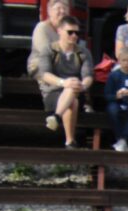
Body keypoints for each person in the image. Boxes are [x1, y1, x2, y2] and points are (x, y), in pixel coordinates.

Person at [37, 16, 92, 149]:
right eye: (70, 32)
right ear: (59, 31)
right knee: (72, 99)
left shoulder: (83, 52)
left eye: (77, 33)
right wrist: (63, 82)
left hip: (77, 91)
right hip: (53, 92)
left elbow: (88, 76)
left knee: (73, 92)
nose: (74, 36)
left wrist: (82, 85)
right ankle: (69, 140)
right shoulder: (49, 50)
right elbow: (45, 74)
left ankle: (56, 117)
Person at [105, 48, 128, 152]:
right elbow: (107, 96)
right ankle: (120, 138)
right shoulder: (113, 75)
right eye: (124, 60)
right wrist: (116, 96)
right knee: (112, 110)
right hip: (116, 102)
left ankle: (123, 139)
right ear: (119, 61)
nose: (126, 63)